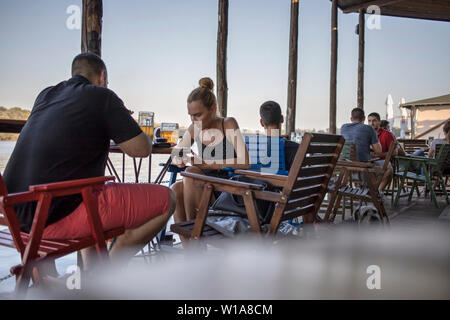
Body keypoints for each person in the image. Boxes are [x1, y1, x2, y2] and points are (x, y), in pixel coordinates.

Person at [3, 53, 175, 267]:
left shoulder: (45, 95)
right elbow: (141, 149)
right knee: (168, 199)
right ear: (102, 77)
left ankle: (85, 275)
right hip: (51, 217)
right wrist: (122, 120)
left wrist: (112, 120)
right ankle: (104, 276)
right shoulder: (103, 96)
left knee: (88, 188)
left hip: (15, 214)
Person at [171, 78, 249, 233]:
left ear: (212, 109)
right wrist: (181, 158)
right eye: (190, 115)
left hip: (226, 188)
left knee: (191, 173)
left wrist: (205, 163)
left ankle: (195, 234)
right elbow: (176, 154)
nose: (193, 120)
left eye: (198, 115)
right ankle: (191, 250)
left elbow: (245, 161)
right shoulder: (195, 127)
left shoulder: (227, 123)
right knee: (175, 189)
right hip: (204, 185)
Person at [259, 101, 299, 171]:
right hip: (284, 181)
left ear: (262, 123)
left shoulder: (253, 147)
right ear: (282, 119)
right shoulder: (296, 149)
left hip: (257, 181)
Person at [367, 112, 397, 191]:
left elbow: (395, 152)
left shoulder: (387, 134)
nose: (371, 123)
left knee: (389, 169)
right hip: (368, 161)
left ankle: (378, 192)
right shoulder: (365, 133)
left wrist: (380, 154)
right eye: (369, 121)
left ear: (379, 122)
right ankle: (364, 191)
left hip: (382, 161)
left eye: (374, 121)